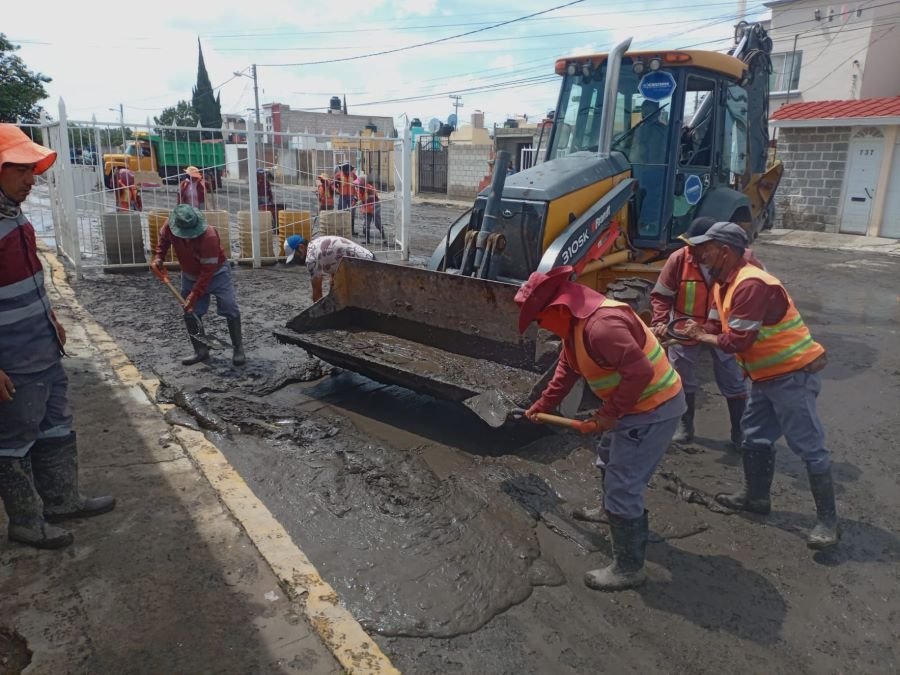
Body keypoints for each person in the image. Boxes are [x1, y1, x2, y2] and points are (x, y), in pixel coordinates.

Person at [516, 266, 685, 591]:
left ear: (556, 309)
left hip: (654, 408)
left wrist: (608, 415)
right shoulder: (576, 326)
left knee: (624, 483)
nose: (540, 327)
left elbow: (640, 374)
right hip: (634, 405)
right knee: (608, 457)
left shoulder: (602, 327)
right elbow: (567, 368)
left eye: (539, 319)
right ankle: (610, 512)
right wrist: (542, 405)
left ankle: (629, 567)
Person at [682, 222, 837, 549]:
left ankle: (827, 522)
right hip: (766, 378)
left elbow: (737, 340)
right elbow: (714, 323)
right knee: (754, 437)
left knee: (808, 445)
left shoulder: (751, 284)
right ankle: (756, 498)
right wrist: (692, 330)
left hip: (792, 375)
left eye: (705, 249)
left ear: (725, 250)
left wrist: (701, 336)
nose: (699, 255)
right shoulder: (724, 283)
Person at [0, 124, 115, 550]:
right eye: (22, 170)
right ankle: (27, 521)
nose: (32, 179)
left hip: (42, 346)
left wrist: (50, 317)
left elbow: (27, 277)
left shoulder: (13, 213)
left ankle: (63, 499)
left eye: (33, 169)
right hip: (12, 360)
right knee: (13, 441)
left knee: (55, 426)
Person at [650, 216, 760, 447]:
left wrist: (710, 331)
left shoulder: (741, 263)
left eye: (701, 246)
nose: (694, 251)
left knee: (733, 380)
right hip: (684, 329)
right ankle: (685, 426)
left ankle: (740, 433)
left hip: (722, 330)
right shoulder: (679, 259)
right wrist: (661, 321)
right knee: (681, 378)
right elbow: (662, 295)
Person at [151, 204, 246, 367]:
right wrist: (159, 257)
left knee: (230, 307)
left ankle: (238, 348)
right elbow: (163, 242)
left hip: (217, 274)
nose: (187, 238)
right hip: (189, 274)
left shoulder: (209, 236)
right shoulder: (169, 226)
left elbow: (206, 272)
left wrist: (194, 295)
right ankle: (200, 351)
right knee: (190, 312)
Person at [284, 234, 374, 302]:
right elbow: (334, 261)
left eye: (296, 256)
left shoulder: (311, 259)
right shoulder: (316, 243)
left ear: (301, 247)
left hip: (363, 265)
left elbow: (317, 292)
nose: (296, 260)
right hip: (370, 258)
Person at [631, 100, 668, 165]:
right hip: (637, 168)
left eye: (650, 113)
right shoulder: (638, 130)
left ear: (658, 113)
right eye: (644, 113)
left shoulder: (665, 130)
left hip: (660, 169)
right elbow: (633, 155)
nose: (646, 116)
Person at [355, 172, 385, 245]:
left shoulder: (369, 188)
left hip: (374, 207)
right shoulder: (360, 189)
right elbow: (360, 198)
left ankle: (384, 237)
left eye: (359, 182)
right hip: (367, 208)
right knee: (366, 224)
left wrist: (360, 201)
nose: (357, 184)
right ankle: (367, 240)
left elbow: (368, 199)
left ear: (363, 182)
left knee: (377, 223)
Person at [333, 163, 358, 235]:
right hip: (342, 196)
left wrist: (356, 184)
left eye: (348, 170)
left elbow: (358, 181)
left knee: (352, 214)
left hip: (352, 196)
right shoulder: (338, 175)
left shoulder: (353, 175)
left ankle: (351, 231)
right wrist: (336, 189)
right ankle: (340, 230)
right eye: (346, 170)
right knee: (341, 213)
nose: (347, 172)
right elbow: (334, 183)